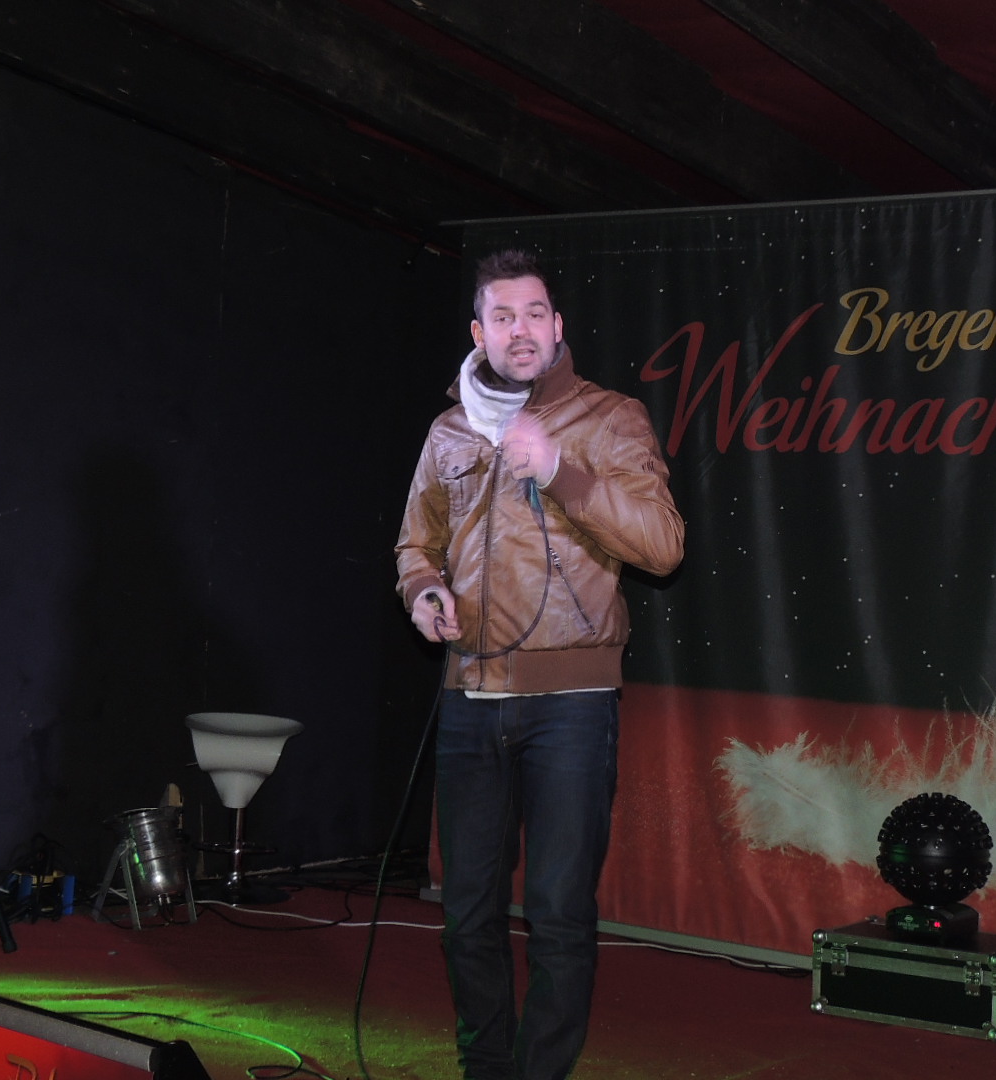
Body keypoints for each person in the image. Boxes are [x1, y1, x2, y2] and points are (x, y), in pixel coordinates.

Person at [395, 249, 684, 1080]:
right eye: (503, 317)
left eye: (534, 314)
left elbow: (664, 546)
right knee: (467, 913)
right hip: (468, 697)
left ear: (557, 326)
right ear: (478, 332)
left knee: (557, 913)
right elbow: (416, 542)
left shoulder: (610, 417)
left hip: (571, 703)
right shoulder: (449, 431)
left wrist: (559, 470)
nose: (520, 330)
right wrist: (422, 592)